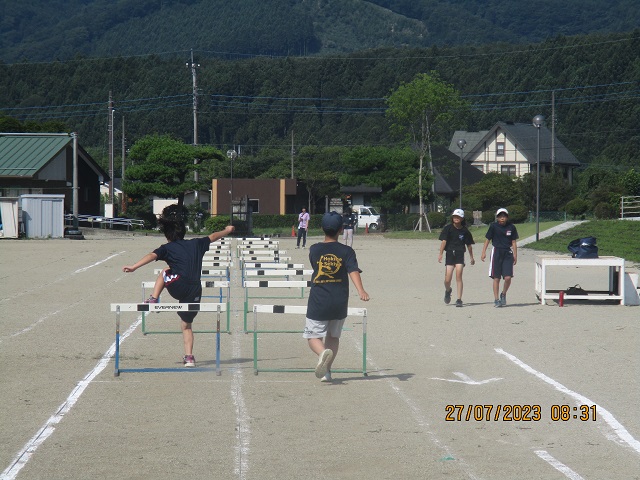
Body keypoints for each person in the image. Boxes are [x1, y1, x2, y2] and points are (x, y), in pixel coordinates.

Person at [122, 205, 234, 367]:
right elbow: (213, 236)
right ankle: (189, 358)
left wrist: (134, 266)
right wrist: (227, 230)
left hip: (178, 286)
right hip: (195, 290)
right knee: (186, 325)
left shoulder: (167, 248)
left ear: (167, 235)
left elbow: (152, 256)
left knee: (164, 271)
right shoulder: (197, 243)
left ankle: (154, 298)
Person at [304, 211, 369, 382]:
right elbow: (353, 270)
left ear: (321, 228)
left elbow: (315, 265)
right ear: (341, 229)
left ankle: (322, 353)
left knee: (312, 336)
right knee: (333, 336)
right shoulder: (347, 251)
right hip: (339, 300)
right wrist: (361, 290)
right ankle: (326, 371)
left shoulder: (314, 249)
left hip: (319, 299)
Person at [480, 208, 519, 308]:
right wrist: (483, 252)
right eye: (500, 216)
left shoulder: (511, 227)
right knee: (496, 277)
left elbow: (514, 241)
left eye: (504, 216)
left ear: (507, 217)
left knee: (508, 277)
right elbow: (487, 239)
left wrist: (515, 254)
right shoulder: (493, 226)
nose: (502, 218)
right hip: (496, 252)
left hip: (507, 253)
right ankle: (496, 299)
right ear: (497, 217)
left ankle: (503, 293)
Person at [438, 209, 475, 307]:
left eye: (458, 217)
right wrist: (440, 253)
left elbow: (469, 245)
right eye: (455, 216)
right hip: (450, 254)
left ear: (462, 218)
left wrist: (471, 257)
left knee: (459, 276)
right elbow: (444, 241)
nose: (456, 218)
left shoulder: (465, 231)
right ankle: (448, 290)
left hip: (460, 254)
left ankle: (459, 299)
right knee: (447, 279)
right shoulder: (448, 228)